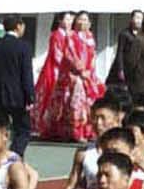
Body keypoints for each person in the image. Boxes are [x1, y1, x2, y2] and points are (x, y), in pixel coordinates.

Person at [0, 14, 37, 157]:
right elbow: (26, 74)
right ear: (18, 26)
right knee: (23, 129)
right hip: (17, 97)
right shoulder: (24, 47)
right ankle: (14, 155)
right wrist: (30, 96)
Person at [33, 13, 97, 142]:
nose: (82, 22)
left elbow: (93, 55)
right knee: (73, 103)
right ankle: (74, 131)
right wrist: (80, 70)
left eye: (85, 20)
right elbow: (68, 54)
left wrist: (89, 71)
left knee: (91, 100)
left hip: (87, 75)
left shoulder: (89, 37)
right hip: (71, 75)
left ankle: (87, 130)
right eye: (80, 19)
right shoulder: (70, 36)